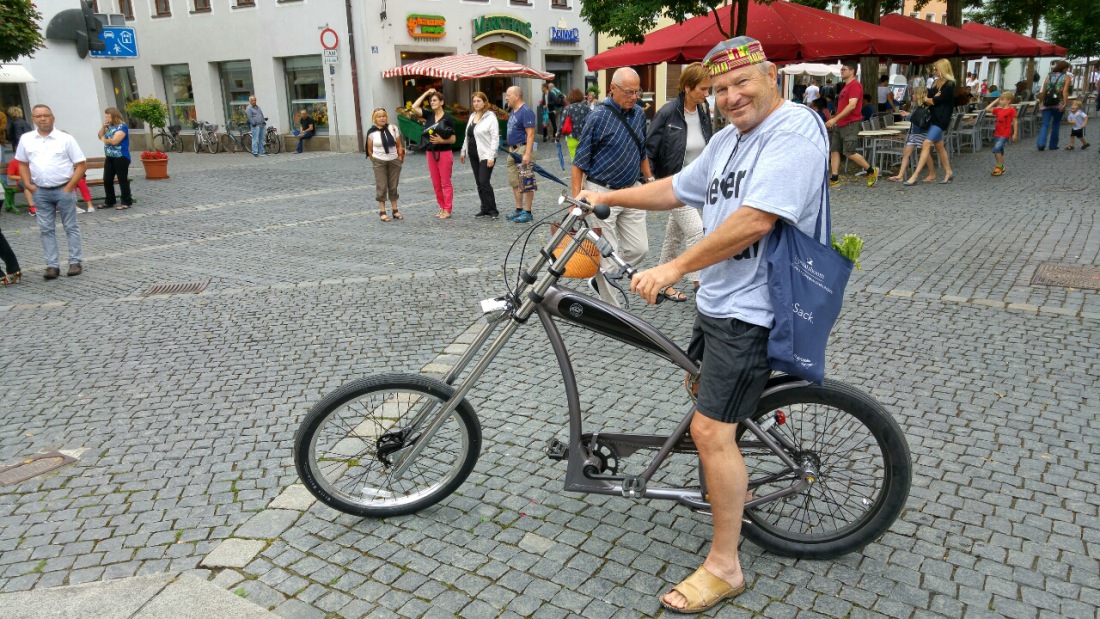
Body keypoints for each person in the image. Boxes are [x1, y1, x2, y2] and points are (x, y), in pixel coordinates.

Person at [576, 36, 828, 615]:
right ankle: (726, 486)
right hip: (718, 302)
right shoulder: (727, 139)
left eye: (743, 83)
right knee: (704, 403)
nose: (732, 96)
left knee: (711, 432)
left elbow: (757, 219)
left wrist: (672, 266)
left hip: (756, 310)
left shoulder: (793, 132)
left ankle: (725, 566)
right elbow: (674, 188)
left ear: (771, 76)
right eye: (720, 89)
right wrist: (604, 196)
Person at [571, 67, 655, 307]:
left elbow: (642, 151)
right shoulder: (597, 116)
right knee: (608, 255)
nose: (634, 96)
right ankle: (613, 310)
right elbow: (579, 162)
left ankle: (601, 278)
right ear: (613, 89)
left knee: (640, 248)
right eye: (628, 92)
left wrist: (649, 182)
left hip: (632, 191)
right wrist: (578, 199)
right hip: (601, 193)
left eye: (637, 92)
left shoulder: (639, 114)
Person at [646, 62, 712, 301]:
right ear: (686, 87)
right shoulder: (667, 113)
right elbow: (650, 148)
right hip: (675, 184)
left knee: (673, 237)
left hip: (698, 185)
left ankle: (661, 282)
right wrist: (652, 182)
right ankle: (700, 283)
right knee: (697, 231)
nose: (706, 95)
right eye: (702, 89)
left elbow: (708, 146)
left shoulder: (703, 113)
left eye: (708, 90)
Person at [15, 104, 87, 279]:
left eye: (46, 115)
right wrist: (28, 185)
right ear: (33, 119)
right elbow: (22, 163)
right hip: (40, 191)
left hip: (63, 188)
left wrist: (69, 187)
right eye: (38, 116)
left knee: (70, 226)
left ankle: (75, 261)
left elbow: (81, 164)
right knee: (45, 229)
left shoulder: (65, 139)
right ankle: (52, 265)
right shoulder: (26, 139)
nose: (42, 119)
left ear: (52, 117)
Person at [826, 60, 878, 188]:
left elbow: (852, 105)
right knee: (834, 150)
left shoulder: (855, 85)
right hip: (840, 122)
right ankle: (834, 178)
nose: (841, 71)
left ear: (852, 71)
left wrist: (834, 119)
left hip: (850, 123)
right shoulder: (845, 87)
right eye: (841, 69)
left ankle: (871, 170)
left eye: (844, 69)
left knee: (849, 151)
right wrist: (834, 118)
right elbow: (844, 106)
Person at [904, 58, 955, 185]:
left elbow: (932, 101)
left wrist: (928, 98)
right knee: (939, 146)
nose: (934, 71)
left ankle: (915, 176)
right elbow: (929, 98)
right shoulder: (935, 83)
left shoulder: (949, 84)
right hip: (931, 118)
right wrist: (929, 98)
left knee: (926, 144)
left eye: (936, 69)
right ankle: (948, 172)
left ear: (943, 69)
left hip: (941, 120)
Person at [410, 88, 456, 219]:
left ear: (442, 102)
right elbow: (414, 107)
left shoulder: (448, 118)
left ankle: (448, 208)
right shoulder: (429, 115)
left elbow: (454, 138)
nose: (432, 103)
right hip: (431, 152)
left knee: (445, 182)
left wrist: (442, 140)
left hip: (444, 152)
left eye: (435, 100)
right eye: (431, 101)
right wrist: (426, 93)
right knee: (436, 183)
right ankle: (441, 206)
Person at [460, 91, 500, 219]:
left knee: (484, 181)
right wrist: (463, 151)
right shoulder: (472, 116)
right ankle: (484, 207)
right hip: (473, 153)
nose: (476, 103)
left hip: (485, 154)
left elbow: (495, 138)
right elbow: (467, 135)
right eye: (474, 101)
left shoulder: (490, 117)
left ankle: (493, 210)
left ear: (484, 102)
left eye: (479, 101)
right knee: (479, 182)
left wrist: (491, 156)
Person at [503, 86, 537, 223]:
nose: (506, 98)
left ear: (517, 96)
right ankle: (518, 209)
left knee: (526, 181)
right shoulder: (513, 111)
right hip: (512, 150)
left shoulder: (526, 111)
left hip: (522, 149)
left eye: (508, 95)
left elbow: (531, 134)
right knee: (514, 182)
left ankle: (528, 212)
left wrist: (527, 154)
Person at [888, 87, 935, 183]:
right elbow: (916, 118)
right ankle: (900, 175)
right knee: (906, 153)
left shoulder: (925, 106)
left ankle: (931, 173)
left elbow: (918, 120)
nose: (912, 96)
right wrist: (908, 114)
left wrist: (908, 115)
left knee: (925, 153)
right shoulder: (919, 106)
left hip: (920, 133)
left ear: (918, 95)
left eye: (914, 94)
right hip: (914, 133)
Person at [365, 108, 404, 221]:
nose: (382, 118)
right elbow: (369, 149)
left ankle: (395, 210)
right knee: (382, 186)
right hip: (379, 161)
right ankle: (382, 211)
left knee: (393, 185)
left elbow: (399, 144)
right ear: (375, 119)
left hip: (393, 160)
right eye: (379, 116)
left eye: (383, 116)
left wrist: (400, 157)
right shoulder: (371, 132)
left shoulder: (393, 128)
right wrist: (375, 160)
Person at [97, 107, 132, 211]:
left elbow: (114, 141)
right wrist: (103, 127)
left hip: (121, 157)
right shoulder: (111, 126)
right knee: (107, 179)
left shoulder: (122, 127)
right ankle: (110, 201)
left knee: (122, 179)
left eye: (108, 115)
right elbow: (99, 134)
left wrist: (103, 139)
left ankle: (126, 201)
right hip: (110, 156)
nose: (106, 117)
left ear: (114, 115)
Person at [1037, 61, 1071, 151]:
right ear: (1063, 68)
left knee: (1045, 124)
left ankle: (1041, 144)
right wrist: (1065, 103)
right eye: (1067, 68)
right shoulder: (1066, 77)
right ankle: (1053, 145)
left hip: (1046, 103)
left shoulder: (1049, 75)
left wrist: (1040, 101)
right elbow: (1065, 91)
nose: (1067, 70)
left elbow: (1043, 89)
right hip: (1058, 103)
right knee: (1056, 124)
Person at [984, 91, 1019, 176]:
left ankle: (999, 167)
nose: (1001, 101)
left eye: (1002, 100)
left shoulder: (1011, 110)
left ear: (1008, 101)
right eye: (1000, 100)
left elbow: (1015, 122)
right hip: (997, 133)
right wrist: (995, 101)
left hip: (1005, 133)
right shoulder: (999, 109)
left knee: (996, 149)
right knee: (1000, 151)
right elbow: (987, 109)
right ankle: (1001, 167)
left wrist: (1015, 134)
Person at [560, 88, 591, 161]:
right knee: (584, 159)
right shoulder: (586, 108)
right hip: (585, 137)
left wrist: (558, 136)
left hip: (572, 136)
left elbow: (562, 123)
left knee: (574, 159)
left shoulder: (567, 108)